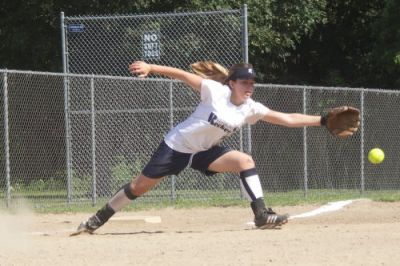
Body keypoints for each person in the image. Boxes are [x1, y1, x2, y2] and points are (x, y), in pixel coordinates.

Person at [72, 60, 337, 235]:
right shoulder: (214, 91)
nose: (249, 87)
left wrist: (323, 120)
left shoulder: (250, 108)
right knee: (139, 186)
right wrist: (151, 67)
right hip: (176, 147)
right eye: (245, 82)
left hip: (204, 152)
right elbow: (183, 75)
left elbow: (287, 119)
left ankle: (261, 215)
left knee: (244, 160)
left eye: (252, 83)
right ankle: (98, 218)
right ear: (231, 83)